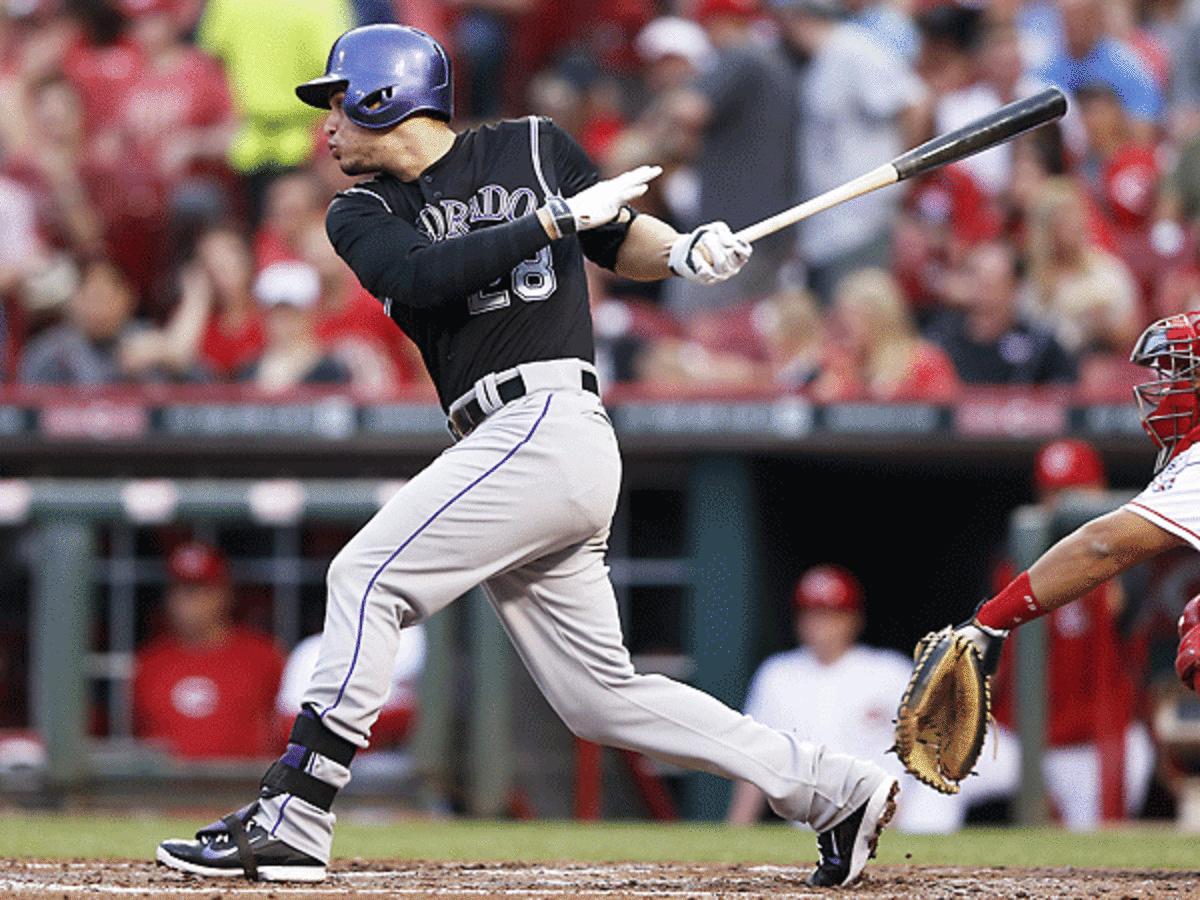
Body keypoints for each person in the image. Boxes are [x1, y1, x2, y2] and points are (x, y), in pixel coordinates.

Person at [156, 24, 898, 888]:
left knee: (367, 577)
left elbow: (621, 237)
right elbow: (423, 277)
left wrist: (689, 253)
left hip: (550, 422)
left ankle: (296, 813)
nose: (326, 123)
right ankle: (831, 787)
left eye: (336, 100)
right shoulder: (361, 212)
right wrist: (552, 221)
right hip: (506, 443)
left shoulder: (534, 147)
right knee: (599, 698)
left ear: (384, 95)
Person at [929, 309, 1200, 831]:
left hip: (1097, 742)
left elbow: (1101, 545)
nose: (1166, 390)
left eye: (1183, 375)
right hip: (1030, 738)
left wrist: (988, 621)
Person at [726, 565, 1015, 833]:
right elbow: (755, 759)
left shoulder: (887, 670)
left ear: (853, 619)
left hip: (900, 812)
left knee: (945, 791)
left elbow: (930, 742)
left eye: (831, 615)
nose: (820, 626)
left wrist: (899, 806)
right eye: (812, 615)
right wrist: (737, 828)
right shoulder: (777, 674)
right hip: (815, 822)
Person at [989, 439, 1155, 828]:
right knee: (936, 770)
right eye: (1050, 493)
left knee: (1093, 852)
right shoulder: (1011, 559)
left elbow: (1123, 614)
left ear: (1099, 494)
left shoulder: (1128, 563)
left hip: (1096, 741)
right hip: (1018, 738)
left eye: (1072, 493)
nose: (1059, 504)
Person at [771, 0, 926, 303]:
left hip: (862, 220)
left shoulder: (853, 48)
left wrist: (904, 180)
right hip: (826, 227)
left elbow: (915, 103)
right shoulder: (818, 61)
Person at [133, 542, 286, 760]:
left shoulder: (263, 656)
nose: (188, 601)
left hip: (244, 787)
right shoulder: (148, 663)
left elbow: (284, 729)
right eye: (180, 589)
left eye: (200, 590)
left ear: (225, 594)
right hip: (166, 791)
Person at [927, 241, 1078, 385]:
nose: (982, 290)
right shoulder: (941, 340)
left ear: (1014, 286)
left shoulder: (1040, 346)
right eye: (976, 278)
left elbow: (1065, 399)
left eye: (991, 283)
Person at [814, 268, 960, 402]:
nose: (843, 326)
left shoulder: (926, 362)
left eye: (852, 316)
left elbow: (945, 418)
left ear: (879, 317)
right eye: (841, 317)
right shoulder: (838, 364)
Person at [239, 261, 352, 391]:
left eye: (292, 314)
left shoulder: (332, 372)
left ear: (311, 314)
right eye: (276, 314)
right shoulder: (247, 371)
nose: (283, 323)